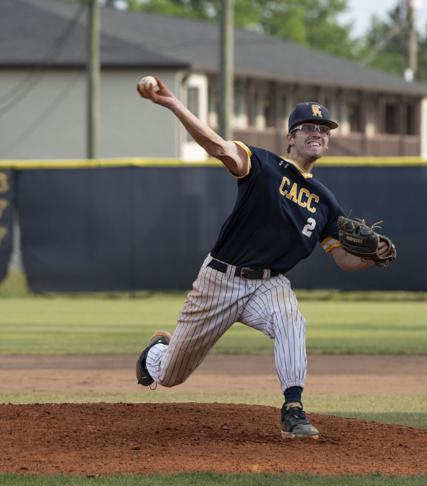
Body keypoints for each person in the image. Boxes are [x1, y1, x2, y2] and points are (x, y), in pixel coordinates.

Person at [134, 76, 393, 440]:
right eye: (308, 128)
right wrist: (173, 103)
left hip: (268, 283)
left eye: (324, 129)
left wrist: (374, 258)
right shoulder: (263, 165)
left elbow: (345, 260)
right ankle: (155, 353)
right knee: (171, 376)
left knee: (292, 320)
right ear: (290, 137)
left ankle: (293, 408)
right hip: (220, 280)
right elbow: (220, 148)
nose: (317, 133)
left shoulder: (325, 202)